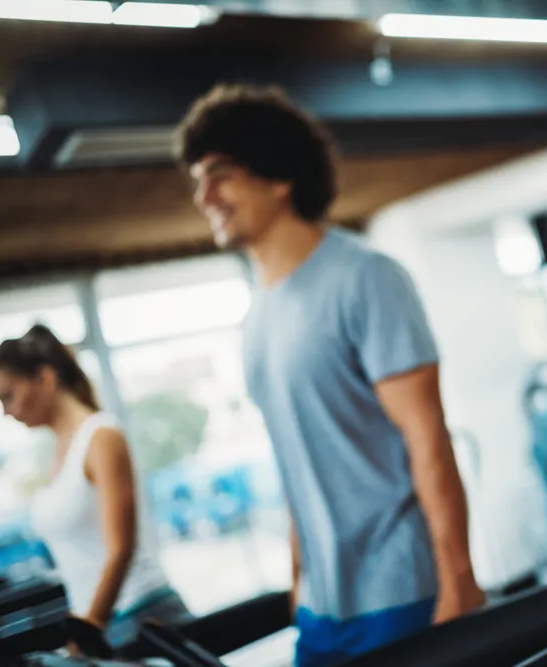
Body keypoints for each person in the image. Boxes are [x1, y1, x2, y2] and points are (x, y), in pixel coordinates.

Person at [174, 84, 484, 666]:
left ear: (278, 177)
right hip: (320, 606)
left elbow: (427, 439)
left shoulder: (366, 278)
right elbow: (299, 460)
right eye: (197, 180)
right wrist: (298, 577)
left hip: (401, 590)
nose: (204, 195)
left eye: (220, 173)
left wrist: (459, 579)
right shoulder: (257, 316)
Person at [0, 324, 190, 649]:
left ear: (45, 379)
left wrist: (87, 630)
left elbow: (120, 549)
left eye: (8, 396)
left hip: (140, 614)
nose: (6, 412)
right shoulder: (56, 452)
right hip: (105, 622)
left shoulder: (102, 436)